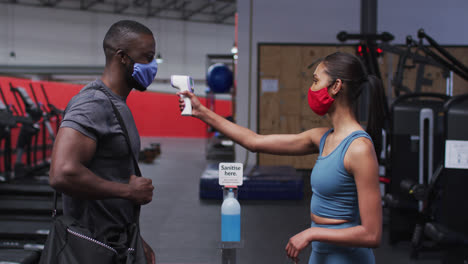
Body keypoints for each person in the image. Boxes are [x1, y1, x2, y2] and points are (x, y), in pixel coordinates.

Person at [177, 52, 384, 263]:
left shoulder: (359, 148)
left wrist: (312, 233)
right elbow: (254, 141)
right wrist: (201, 111)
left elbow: (371, 234)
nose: (311, 89)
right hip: (320, 255)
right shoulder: (322, 137)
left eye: (316, 81)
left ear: (336, 86)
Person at [49, 20, 157, 264]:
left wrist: (133, 237)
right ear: (122, 57)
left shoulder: (116, 104)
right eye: (147, 58)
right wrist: (129, 191)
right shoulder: (93, 103)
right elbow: (61, 173)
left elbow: (111, 175)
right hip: (90, 249)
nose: (152, 67)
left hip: (115, 243)